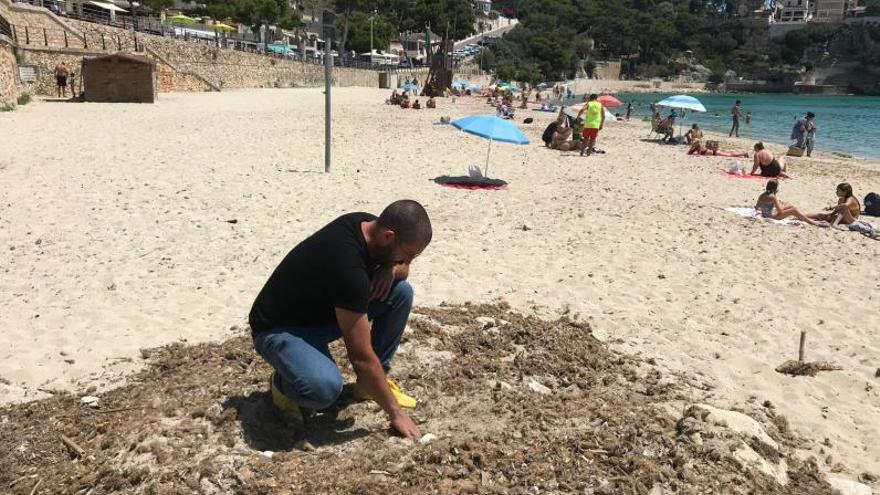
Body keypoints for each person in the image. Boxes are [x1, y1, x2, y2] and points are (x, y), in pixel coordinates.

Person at [249, 200, 432, 439]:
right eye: (409, 254)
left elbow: (403, 269)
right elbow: (360, 358)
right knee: (324, 390)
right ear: (388, 236)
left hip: (323, 312)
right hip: (280, 328)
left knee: (400, 293)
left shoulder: (369, 226)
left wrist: (390, 269)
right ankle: (282, 385)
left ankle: (371, 386)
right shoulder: (348, 267)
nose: (409, 261)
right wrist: (395, 414)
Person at [755, 180, 827, 226]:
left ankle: (802, 217)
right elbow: (780, 211)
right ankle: (813, 222)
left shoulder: (762, 195)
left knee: (788, 205)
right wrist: (781, 205)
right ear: (775, 188)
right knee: (794, 210)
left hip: (765, 215)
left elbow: (757, 207)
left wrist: (767, 209)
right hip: (772, 216)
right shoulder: (773, 197)